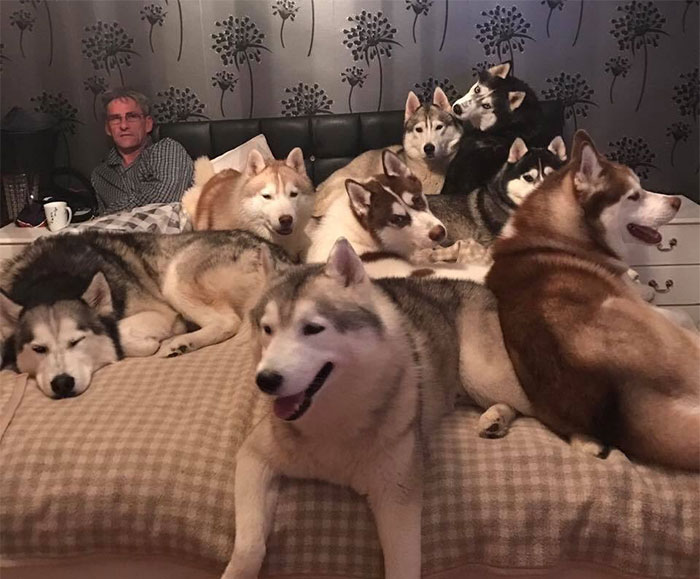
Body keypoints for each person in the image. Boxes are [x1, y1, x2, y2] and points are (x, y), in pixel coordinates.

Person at [90, 88, 194, 216]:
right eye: (115, 119)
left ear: (148, 124)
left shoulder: (167, 150)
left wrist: (109, 213)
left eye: (132, 117)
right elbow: (102, 223)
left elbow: (165, 199)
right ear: (108, 128)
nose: (123, 126)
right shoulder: (100, 175)